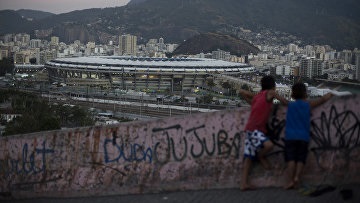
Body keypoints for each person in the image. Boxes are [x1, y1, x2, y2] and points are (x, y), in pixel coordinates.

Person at [239, 75, 288, 191]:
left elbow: (252, 103)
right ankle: (260, 156)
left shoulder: (258, 96)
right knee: (268, 145)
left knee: (248, 159)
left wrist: (243, 93)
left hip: (250, 128)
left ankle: (243, 183)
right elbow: (284, 102)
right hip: (256, 129)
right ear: (272, 86)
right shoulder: (270, 93)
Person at [283, 83, 333, 189]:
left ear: (293, 94)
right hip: (303, 137)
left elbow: (281, 100)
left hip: (290, 136)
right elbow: (323, 99)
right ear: (305, 94)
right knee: (301, 159)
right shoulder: (308, 105)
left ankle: (291, 180)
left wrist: (274, 94)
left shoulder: (290, 105)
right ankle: (297, 177)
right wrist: (331, 93)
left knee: (291, 159)